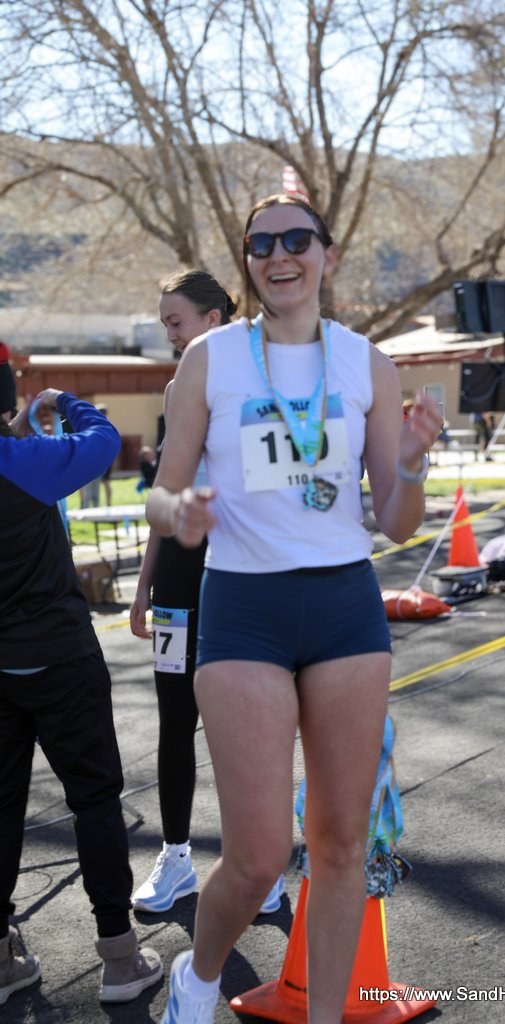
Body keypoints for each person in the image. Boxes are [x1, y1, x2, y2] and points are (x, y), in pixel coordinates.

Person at [146, 193, 443, 1024]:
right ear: (247, 261)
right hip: (243, 607)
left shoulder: (365, 363)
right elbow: (160, 496)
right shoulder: (209, 358)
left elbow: (395, 520)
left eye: (296, 240)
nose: (279, 255)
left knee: (341, 846)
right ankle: (198, 978)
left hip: (344, 605)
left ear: (327, 254)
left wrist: (411, 465)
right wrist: (180, 514)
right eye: (261, 244)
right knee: (258, 856)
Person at [0, 349, 162, 1006]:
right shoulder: (25, 463)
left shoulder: (21, 460)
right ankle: (119, 958)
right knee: (95, 801)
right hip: (61, 656)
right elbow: (100, 442)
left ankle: (2, 959)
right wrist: (62, 402)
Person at [129, 270, 286, 917]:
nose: (169, 334)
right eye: (165, 323)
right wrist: (144, 585)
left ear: (213, 318)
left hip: (242, 575)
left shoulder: (266, 383)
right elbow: (164, 498)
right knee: (175, 717)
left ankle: (259, 863)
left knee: (246, 723)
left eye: (176, 322)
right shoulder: (177, 389)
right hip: (178, 578)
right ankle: (175, 858)